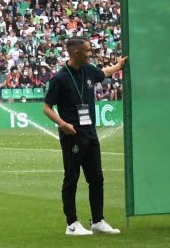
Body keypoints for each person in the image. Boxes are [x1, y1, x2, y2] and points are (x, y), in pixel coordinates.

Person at [42, 36, 126, 236]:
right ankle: (72, 224)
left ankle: (98, 221)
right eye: (88, 50)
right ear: (77, 53)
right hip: (72, 136)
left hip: (90, 134)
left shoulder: (89, 71)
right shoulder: (60, 78)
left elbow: (103, 73)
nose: (91, 53)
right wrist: (62, 124)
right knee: (71, 179)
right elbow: (47, 107)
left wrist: (118, 66)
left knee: (97, 178)